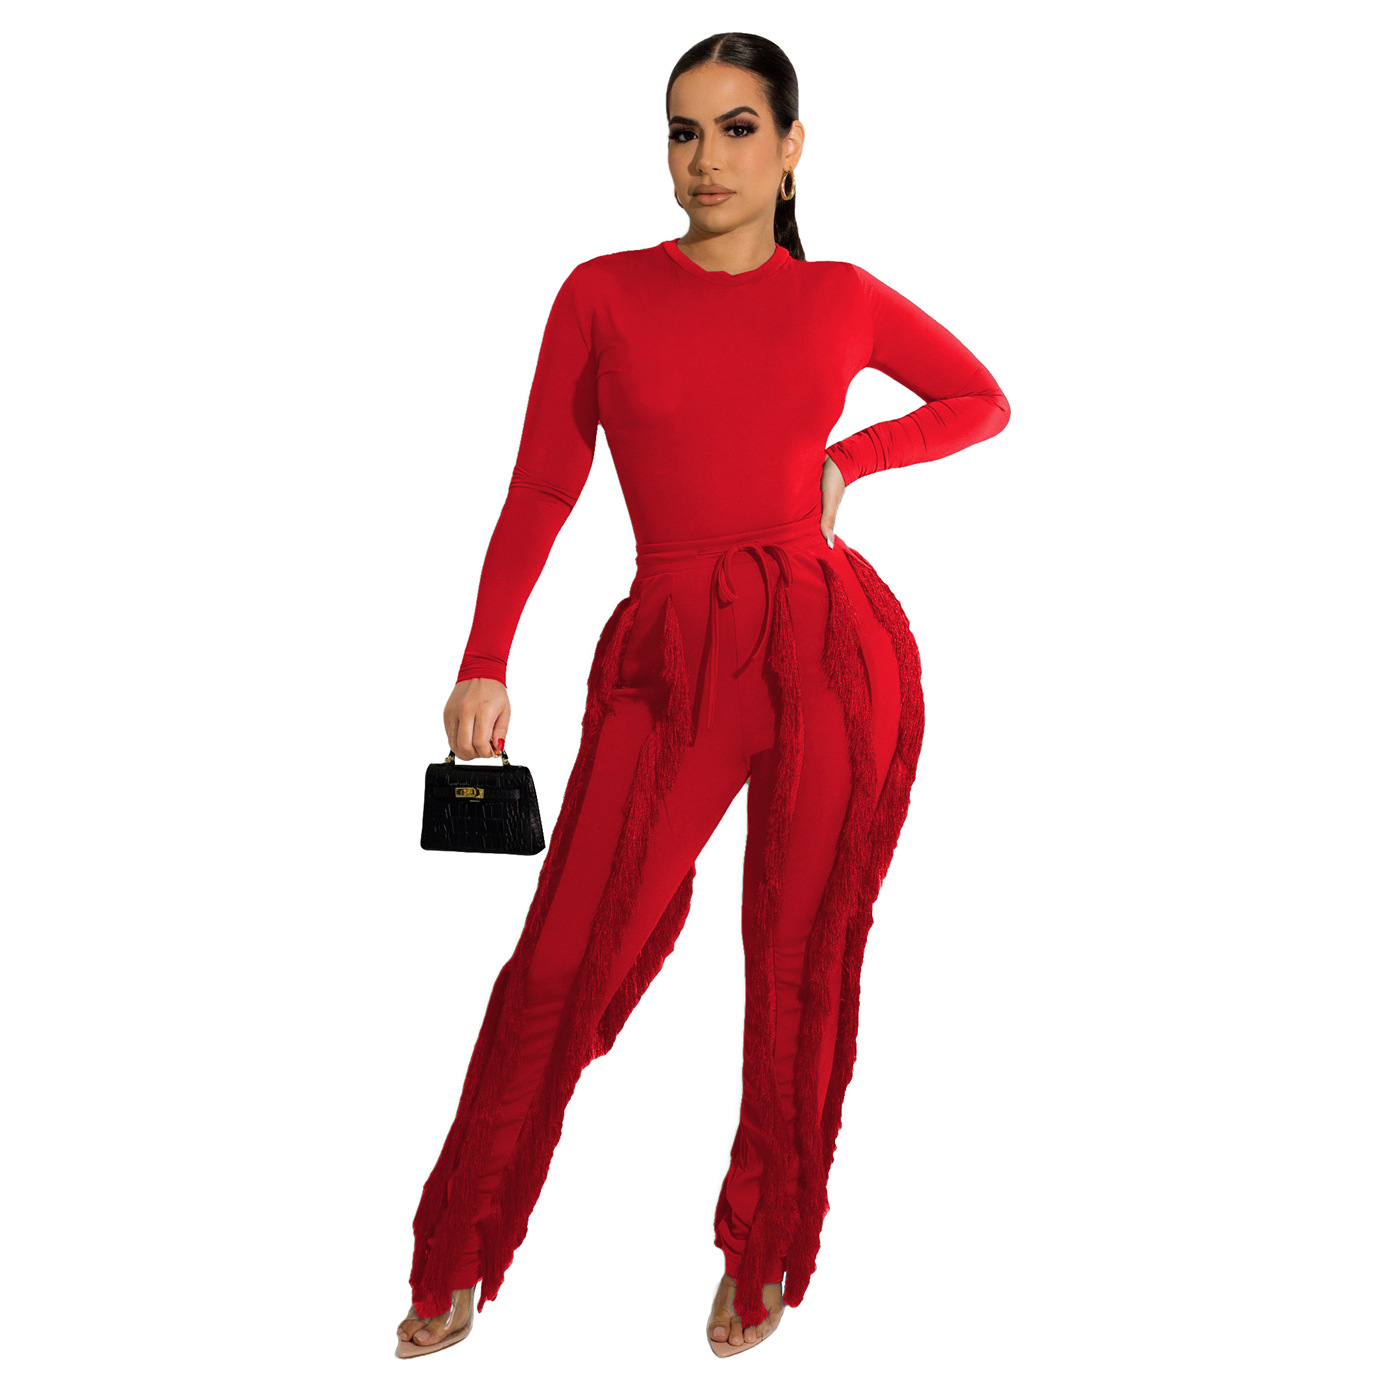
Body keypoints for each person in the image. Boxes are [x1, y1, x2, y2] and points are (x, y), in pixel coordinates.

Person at [395, 31, 1010, 1361]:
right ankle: (456, 1248)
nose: (707, 159)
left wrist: (855, 458)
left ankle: (766, 1242)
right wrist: (485, 656)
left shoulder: (841, 296)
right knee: (559, 956)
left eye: (738, 129)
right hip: (668, 656)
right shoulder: (602, 293)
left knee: (797, 958)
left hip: (829, 649)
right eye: (684, 131)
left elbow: (981, 399)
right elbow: (543, 483)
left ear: (792, 150)